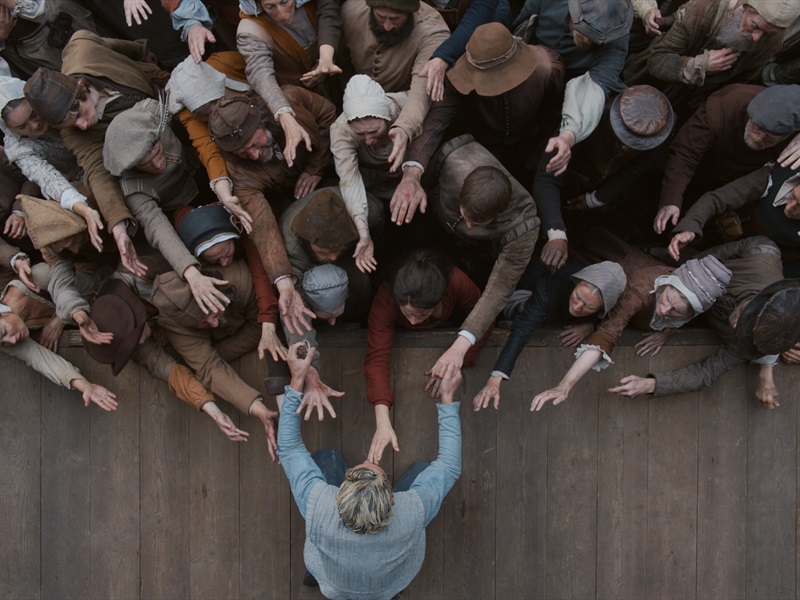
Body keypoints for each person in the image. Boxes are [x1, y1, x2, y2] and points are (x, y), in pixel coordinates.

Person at [278, 340, 462, 599]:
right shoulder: (411, 511)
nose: (370, 461)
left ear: (339, 494)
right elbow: (448, 466)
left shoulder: (319, 503)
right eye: (378, 472)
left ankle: (320, 575)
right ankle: (386, 591)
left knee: (329, 457)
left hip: (333, 585)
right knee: (423, 469)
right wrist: (448, 398)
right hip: (389, 584)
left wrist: (297, 379)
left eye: (360, 471)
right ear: (393, 501)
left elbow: (289, 449)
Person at [23, 31, 165, 277]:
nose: (82, 125)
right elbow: (97, 172)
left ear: (81, 89)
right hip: (155, 142)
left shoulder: (82, 48)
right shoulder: (73, 134)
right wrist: (118, 226)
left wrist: (141, 51)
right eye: (71, 124)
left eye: (79, 115)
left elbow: (116, 46)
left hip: (159, 89)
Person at [394, 22, 565, 226]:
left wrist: (537, 151)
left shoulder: (547, 68)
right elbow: (436, 120)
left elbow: (552, 116)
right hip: (480, 145)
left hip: (528, 144)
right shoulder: (457, 76)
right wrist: (412, 173)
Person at [610, 237, 797, 408]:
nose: (735, 327)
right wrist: (690, 267)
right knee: (635, 268)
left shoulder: (747, 342)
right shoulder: (761, 259)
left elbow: (706, 373)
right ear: (756, 301)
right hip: (685, 276)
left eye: (747, 329)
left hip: (689, 312)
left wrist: (651, 384)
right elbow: (758, 243)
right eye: (745, 318)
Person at [531, 254, 732, 411]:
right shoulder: (639, 290)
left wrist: (667, 331)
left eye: (675, 312)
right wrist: (565, 385)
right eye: (667, 300)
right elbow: (608, 333)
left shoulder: (699, 304)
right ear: (668, 283)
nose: (664, 311)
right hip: (615, 271)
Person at [207, 93, 335, 334]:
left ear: (262, 122)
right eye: (244, 152)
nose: (254, 155)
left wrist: (316, 167)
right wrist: (285, 285)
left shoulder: (288, 101)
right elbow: (263, 226)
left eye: (255, 143)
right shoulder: (239, 169)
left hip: (329, 169)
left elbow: (328, 114)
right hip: (286, 192)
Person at [425, 135, 539, 388]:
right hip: (432, 218)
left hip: (480, 253)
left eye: (477, 222)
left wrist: (461, 345)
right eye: (466, 216)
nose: (469, 225)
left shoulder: (524, 224)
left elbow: (500, 288)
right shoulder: (453, 158)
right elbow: (426, 178)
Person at [102, 97, 232, 315]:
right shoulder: (133, 187)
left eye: (156, 151)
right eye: (145, 164)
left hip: (207, 168)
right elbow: (158, 228)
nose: (157, 164)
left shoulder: (154, 112)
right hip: (184, 204)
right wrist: (190, 272)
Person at [365, 249, 489, 463]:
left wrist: (458, 359)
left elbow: (485, 318)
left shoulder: (456, 281)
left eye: (421, 314)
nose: (413, 322)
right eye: (406, 313)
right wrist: (383, 422)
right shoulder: (387, 295)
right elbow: (377, 356)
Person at [151, 262, 283, 458]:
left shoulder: (240, 281)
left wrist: (217, 352)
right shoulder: (173, 323)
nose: (213, 323)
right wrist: (261, 412)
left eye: (213, 313)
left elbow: (259, 327)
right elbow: (209, 367)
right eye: (203, 323)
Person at [473, 260, 626, 412]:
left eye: (589, 306)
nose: (577, 306)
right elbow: (523, 328)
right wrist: (495, 378)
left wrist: (591, 325)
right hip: (526, 297)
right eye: (578, 296)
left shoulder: (617, 305)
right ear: (577, 282)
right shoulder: (552, 285)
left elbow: (613, 322)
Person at [653, 83, 800, 234]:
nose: (758, 139)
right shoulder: (727, 104)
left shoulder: (794, 138)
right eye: (757, 128)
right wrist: (671, 199)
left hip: (737, 185)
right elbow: (686, 153)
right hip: (701, 167)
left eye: (770, 137)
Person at [513, 0, 633, 176]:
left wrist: (568, 135)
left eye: (595, 37)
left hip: (565, 92)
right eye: (583, 30)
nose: (587, 39)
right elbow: (525, 18)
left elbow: (595, 88)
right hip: (528, 63)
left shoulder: (617, 38)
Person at [625, 0, 799, 116]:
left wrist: (709, 98)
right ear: (745, 8)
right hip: (646, 84)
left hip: (685, 104)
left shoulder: (773, 41)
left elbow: (743, 78)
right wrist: (699, 66)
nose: (756, 38)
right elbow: (656, 60)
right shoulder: (702, 10)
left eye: (767, 33)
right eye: (755, 26)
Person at [340, 0, 450, 169]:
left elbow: (421, 88)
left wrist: (404, 127)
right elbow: (342, 62)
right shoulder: (350, 11)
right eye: (380, 17)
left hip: (403, 106)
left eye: (395, 19)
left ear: (410, 13)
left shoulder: (433, 31)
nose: (387, 26)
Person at [330, 75, 404, 270]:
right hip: (373, 184)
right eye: (360, 134)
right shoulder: (341, 130)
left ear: (387, 117)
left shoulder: (404, 105)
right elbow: (350, 180)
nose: (369, 140)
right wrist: (364, 234)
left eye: (374, 131)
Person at [0, 302, 118, 410]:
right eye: (2, 343)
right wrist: (85, 386)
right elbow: (41, 360)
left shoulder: (24, 290)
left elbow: (70, 289)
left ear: (3, 312)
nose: (12, 341)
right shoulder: (10, 340)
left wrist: (61, 318)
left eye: (4, 331)